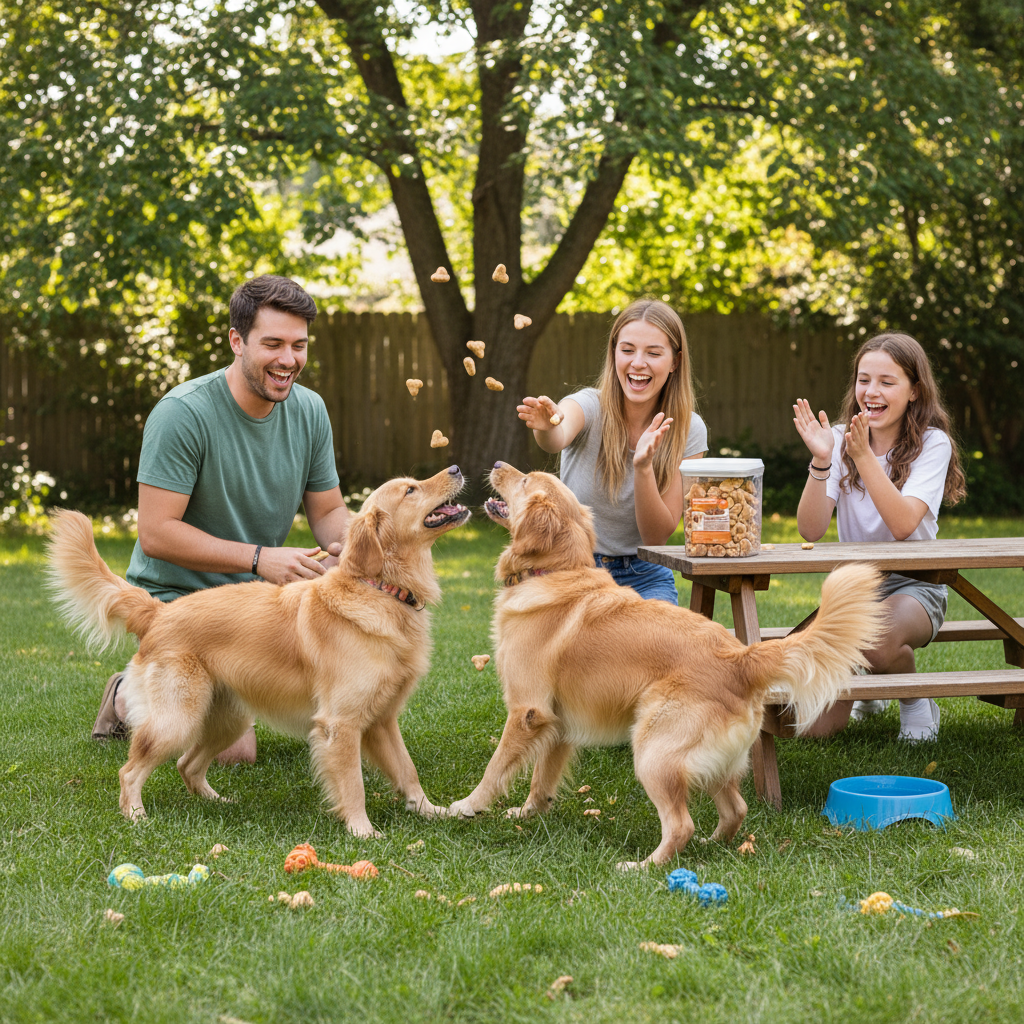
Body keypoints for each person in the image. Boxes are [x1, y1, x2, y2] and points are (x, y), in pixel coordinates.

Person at [91, 275, 351, 763]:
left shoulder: (310, 410)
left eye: (298, 346)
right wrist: (258, 558)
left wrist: (356, 547)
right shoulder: (183, 413)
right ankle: (129, 690)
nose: (288, 359)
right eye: (272, 344)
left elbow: (329, 511)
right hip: (178, 604)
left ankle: (230, 687)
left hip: (254, 604)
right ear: (237, 341)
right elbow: (156, 532)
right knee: (234, 754)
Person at [793, 332, 966, 742]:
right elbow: (810, 529)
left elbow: (903, 525)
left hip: (918, 585)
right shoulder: (839, 439)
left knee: (876, 637)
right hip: (856, 590)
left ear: (914, 391)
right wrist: (822, 459)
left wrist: (863, 457)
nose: (871, 391)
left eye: (887, 382)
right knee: (816, 730)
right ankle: (870, 684)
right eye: (864, 380)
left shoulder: (932, 444)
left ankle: (914, 700)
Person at [517, 299, 707, 602]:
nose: (638, 363)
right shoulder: (589, 405)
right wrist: (546, 426)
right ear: (614, 353)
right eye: (627, 350)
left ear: (675, 362)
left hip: (645, 573)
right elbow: (557, 435)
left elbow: (656, 537)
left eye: (653, 353)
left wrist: (643, 468)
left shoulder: (689, 430)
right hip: (573, 565)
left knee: (659, 634)